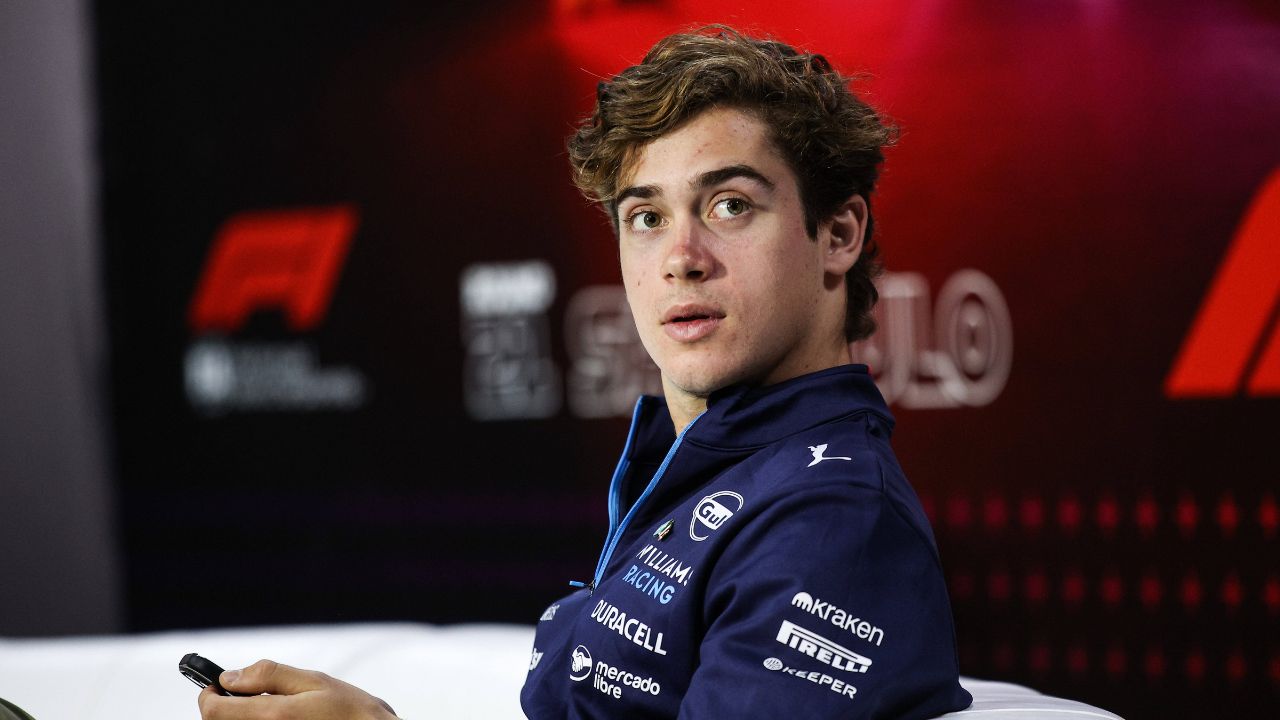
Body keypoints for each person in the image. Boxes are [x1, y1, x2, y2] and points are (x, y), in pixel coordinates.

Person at [198, 25, 971, 720]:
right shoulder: (710, 469)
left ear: (838, 234)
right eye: (647, 217)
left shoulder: (833, 524)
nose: (681, 258)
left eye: (730, 205)